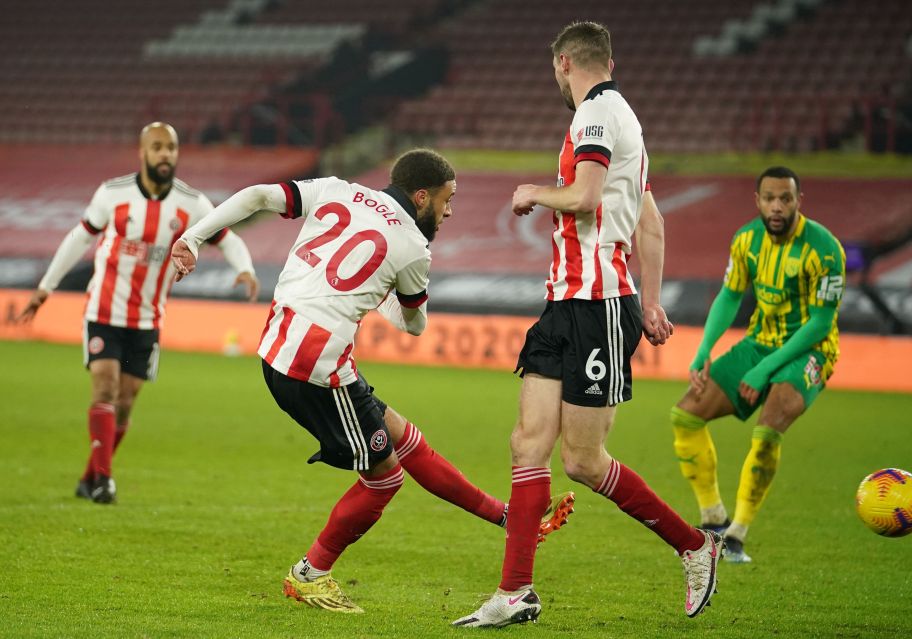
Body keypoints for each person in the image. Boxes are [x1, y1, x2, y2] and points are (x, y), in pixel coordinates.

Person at [170, 148, 575, 614]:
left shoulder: (337, 189)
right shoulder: (412, 248)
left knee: (402, 437)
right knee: (383, 478)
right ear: (421, 196)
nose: (449, 211)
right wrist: (382, 293)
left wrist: (194, 239)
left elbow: (261, 195)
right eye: (447, 200)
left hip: (285, 343)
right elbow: (415, 325)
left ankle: (507, 518)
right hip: (315, 366)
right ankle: (311, 574)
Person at [453, 22, 722, 629]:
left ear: (565, 61)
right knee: (527, 444)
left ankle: (694, 546)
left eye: (555, 68)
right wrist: (651, 303)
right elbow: (649, 222)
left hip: (597, 306)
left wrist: (532, 192)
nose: (555, 77)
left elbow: (584, 197)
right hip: (569, 303)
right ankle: (515, 591)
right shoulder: (626, 119)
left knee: (584, 460)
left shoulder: (595, 116)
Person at [17, 122, 259, 505]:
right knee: (105, 387)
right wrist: (46, 286)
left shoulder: (192, 204)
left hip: (148, 318)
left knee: (126, 401)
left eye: (171, 148)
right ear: (142, 153)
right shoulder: (112, 194)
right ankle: (105, 482)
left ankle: (90, 476)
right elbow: (79, 237)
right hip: (103, 310)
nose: (165, 154)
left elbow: (226, 237)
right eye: (158, 147)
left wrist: (244, 268)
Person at [670, 166, 845, 563]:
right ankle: (714, 518)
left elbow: (820, 322)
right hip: (758, 343)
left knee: (767, 431)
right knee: (686, 416)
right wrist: (703, 350)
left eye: (786, 198)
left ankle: (737, 535)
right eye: (770, 198)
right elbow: (730, 296)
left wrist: (764, 371)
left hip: (810, 352)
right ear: (758, 201)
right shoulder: (746, 240)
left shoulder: (826, 249)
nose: (777, 206)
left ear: (800, 201)